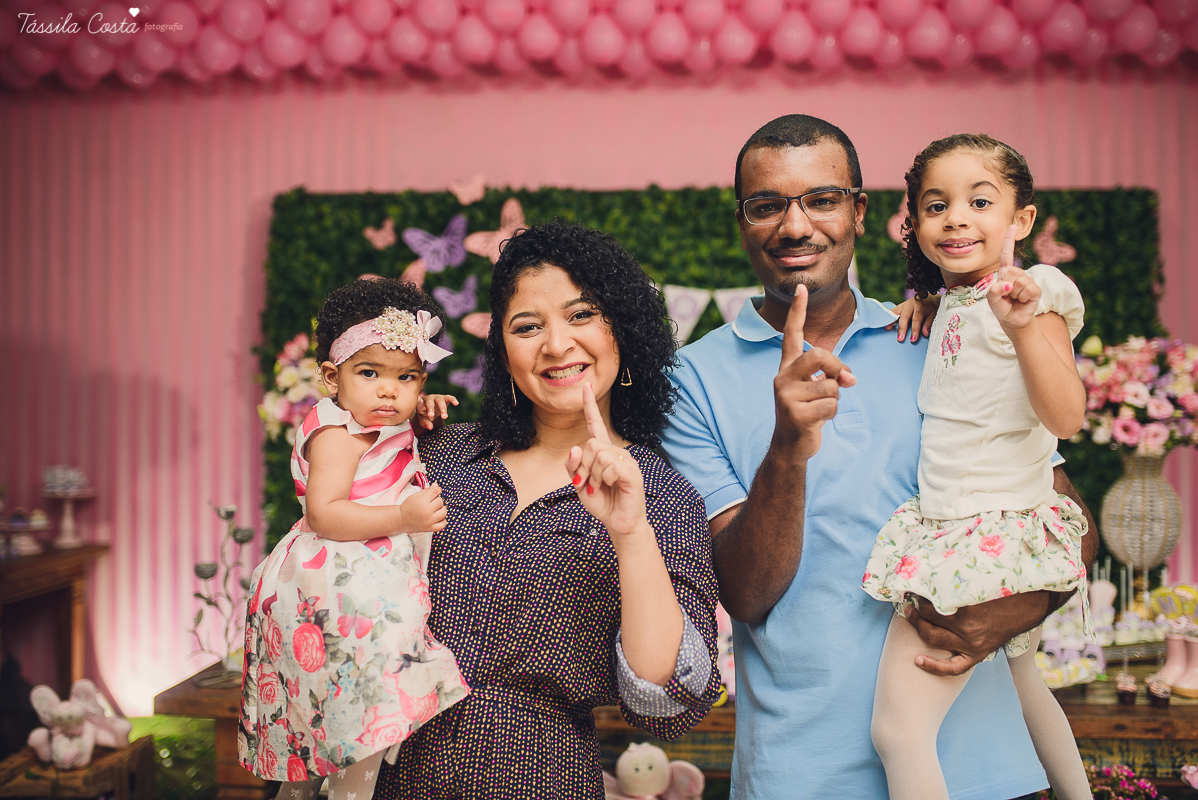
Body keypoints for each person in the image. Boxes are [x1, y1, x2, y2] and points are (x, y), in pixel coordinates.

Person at [659, 115, 1099, 799]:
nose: (795, 226)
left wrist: (1018, 611)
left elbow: (1063, 514)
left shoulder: (937, 333)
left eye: (822, 199)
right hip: (799, 776)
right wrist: (788, 449)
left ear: (861, 212)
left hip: (988, 771)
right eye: (767, 205)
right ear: (743, 221)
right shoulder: (691, 380)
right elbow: (745, 595)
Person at [372, 220, 721, 799]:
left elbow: (666, 702)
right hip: (390, 771)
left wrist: (630, 531)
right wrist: (383, 432)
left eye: (581, 315)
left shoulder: (659, 495)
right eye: (528, 327)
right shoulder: (439, 452)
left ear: (623, 332)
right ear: (504, 353)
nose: (557, 345)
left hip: (542, 777)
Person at [862, 134, 1092, 800]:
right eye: (936, 206)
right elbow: (967, 345)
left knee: (898, 733)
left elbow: (1067, 417)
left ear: (1021, 220)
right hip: (965, 522)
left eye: (980, 201)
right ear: (917, 226)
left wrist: (1024, 327)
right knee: (1027, 690)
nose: (956, 217)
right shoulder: (954, 303)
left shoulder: (1032, 293)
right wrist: (926, 305)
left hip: (979, 532)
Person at [238, 278, 469, 798]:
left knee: (344, 714)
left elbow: (392, 407)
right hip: (334, 579)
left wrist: (418, 404)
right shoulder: (339, 434)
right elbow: (325, 514)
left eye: (408, 377)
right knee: (358, 710)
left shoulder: (376, 413)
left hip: (364, 574)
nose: (389, 390)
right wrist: (403, 516)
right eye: (369, 373)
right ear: (330, 377)